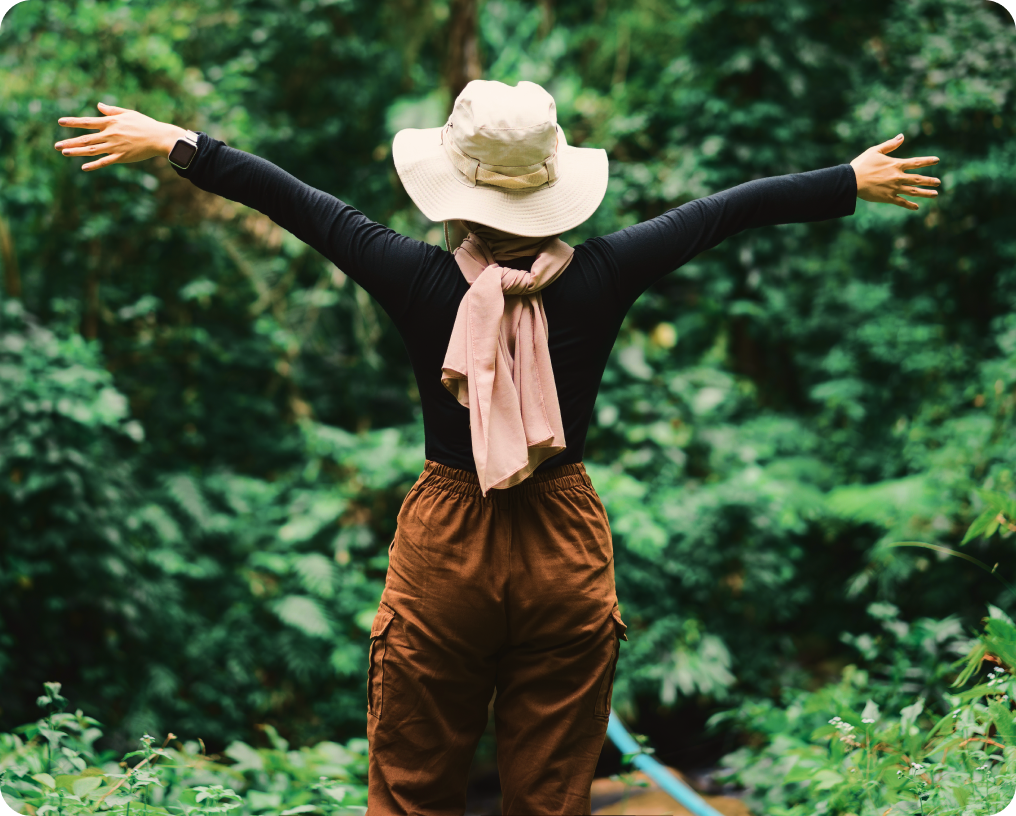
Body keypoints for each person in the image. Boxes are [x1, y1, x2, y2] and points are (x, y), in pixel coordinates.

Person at [55, 79, 940, 815]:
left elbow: (294, 201)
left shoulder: (412, 276)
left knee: (412, 790)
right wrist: (848, 179)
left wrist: (174, 142)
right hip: (564, 541)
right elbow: (729, 211)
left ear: (454, 190)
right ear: (554, 184)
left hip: (447, 541)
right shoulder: (607, 273)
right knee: (551, 797)